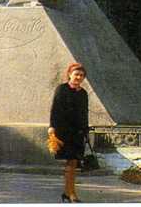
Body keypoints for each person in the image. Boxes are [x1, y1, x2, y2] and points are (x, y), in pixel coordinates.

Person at [49, 63, 89, 203]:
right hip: (64, 131)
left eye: (81, 75)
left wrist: (85, 130)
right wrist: (52, 127)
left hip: (78, 133)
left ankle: (68, 193)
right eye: (76, 74)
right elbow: (55, 109)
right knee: (71, 162)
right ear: (69, 74)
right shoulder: (62, 89)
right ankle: (71, 194)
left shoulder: (83, 93)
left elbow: (84, 113)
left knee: (72, 163)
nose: (78, 77)